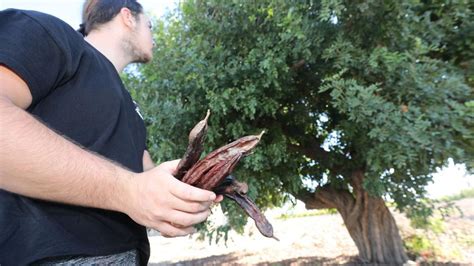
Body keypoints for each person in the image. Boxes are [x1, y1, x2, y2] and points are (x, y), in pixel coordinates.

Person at [0, 0, 222, 265]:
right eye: (150, 25)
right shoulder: (46, 32)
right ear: (128, 17)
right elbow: (131, 188)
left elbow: (145, 178)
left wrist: (187, 193)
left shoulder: (129, 104)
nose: (154, 36)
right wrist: (128, 191)